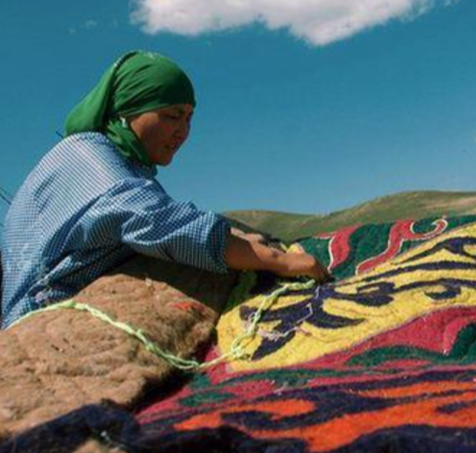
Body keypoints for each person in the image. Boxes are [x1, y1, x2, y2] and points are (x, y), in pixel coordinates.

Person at [0, 51, 328, 330]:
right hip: (41, 319)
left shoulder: (94, 156)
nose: (183, 131)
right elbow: (164, 224)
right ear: (128, 109)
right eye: (172, 116)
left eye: (189, 118)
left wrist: (239, 240)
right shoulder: (94, 162)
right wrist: (282, 261)